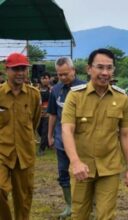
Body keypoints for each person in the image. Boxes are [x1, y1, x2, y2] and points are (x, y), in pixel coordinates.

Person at [61, 48, 128, 219]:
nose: (105, 72)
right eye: (100, 67)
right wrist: (75, 162)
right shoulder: (75, 96)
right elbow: (67, 130)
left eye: (109, 68)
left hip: (109, 167)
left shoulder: (122, 98)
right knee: (79, 214)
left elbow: (125, 134)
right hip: (82, 167)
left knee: (106, 215)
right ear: (89, 69)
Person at [0, 53, 41, 219]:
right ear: (6, 69)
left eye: (23, 69)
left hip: (25, 154)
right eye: (16, 69)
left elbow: (35, 121)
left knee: (23, 198)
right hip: (2, 152)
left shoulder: (34, 94)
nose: (20, 73)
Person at [47, 57, 86, 218]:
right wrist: (49, 135)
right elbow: (53, 114)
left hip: (82, 139)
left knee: (85, 173)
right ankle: (69, 205)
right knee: (63, 172)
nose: (62, 77)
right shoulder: (55, 90)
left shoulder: (85, 88)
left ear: (73, 70)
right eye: (59, 75)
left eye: (65, 74)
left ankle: (87, 205)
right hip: (61, 139)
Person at [37, 72, 51, 156]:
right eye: (43, 78)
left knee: (45, 130)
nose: (45, 80)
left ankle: (41, 149)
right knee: (39, 130)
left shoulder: (52, 89)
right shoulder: (36, 89)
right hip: (39, 113)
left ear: (49, 79)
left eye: (46, 78)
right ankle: (47, 142)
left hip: (48, 113)